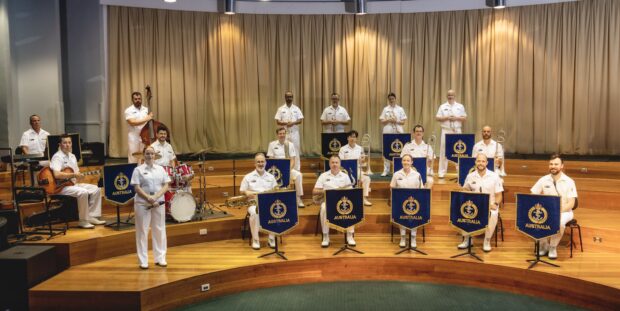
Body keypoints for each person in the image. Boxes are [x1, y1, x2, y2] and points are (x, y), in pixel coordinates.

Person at [50, 135, 105, 229]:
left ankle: (91, 216)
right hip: (61, 187)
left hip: (73, 184)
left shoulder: (72, 156)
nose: (67, 145)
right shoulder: (57, 157)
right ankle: (83, 221)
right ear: (60, 144)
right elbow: (56, 175)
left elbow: (76, 172)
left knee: (96, 189)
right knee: (82, 192)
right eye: (65, 143)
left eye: (69, 142)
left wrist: (79, 176)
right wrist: (74, 175)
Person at [530, 154, 578, 259]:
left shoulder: (569, 181)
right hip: (547, 210)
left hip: (565, 211)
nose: (553, 166)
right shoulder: (543, 179)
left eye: (556, 164)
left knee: (559, 222)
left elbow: (572, 203)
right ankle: (544, 245)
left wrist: (558, 211)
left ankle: (552, 247)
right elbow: (533, 194)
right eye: (551, 164)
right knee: (535, 219)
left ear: (562, 166)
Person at [131, 146, 171, 269]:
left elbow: (166, 185)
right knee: (142, 231)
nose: (149, 156)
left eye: (152, 154)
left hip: (158, 202)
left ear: (155, 155)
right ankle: (143, 260)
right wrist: (148, 198)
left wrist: (156, 197)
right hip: (142, 203)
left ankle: (160, 258)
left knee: (159, 229)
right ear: (144, 155)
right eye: (147, 154)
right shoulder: (138, 170)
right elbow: (137, 187)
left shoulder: (160, 169)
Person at [459, 154, 503, 252]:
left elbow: (499, 195)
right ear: (475, 162)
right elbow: (465, 190)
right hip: (474, 205)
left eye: (483, 161)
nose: (481, 163)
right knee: (462, 210)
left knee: (494, 214)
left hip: (490, 204)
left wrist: (495, 204)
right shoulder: (470, 176)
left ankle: (487, 240)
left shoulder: (494, 176)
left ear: (487, 163)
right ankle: (467, 239)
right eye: (479, 161)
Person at [313, 155, 354, 247]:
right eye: (332, 162)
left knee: (352, 207)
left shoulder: (345, 176)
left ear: (340, 164)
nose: (334, 164)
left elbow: (351, 192)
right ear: (329, 164)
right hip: (328, 201)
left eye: (336, 162)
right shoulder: (323, 176)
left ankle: (350, 235)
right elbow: (314, 191)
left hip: (342, 202)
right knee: (323, 208)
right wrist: (324, 191)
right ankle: (326, 236)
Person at [240, 153, 278, 250]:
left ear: (265, 163)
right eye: (258, 162)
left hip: (269, 203)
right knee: (254, 213)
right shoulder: (248, 177)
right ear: (254, 163)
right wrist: (246, 192)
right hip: (253, 203)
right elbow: (242, 190)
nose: (260, 164)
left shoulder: (271, 177)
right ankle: (255, 240)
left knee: (275, 211)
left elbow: (276, 191)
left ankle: (271, 238)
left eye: (262, 161)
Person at [390, 154, 424, 248]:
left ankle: (413, 238)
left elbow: (421, 189)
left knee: (415, 216)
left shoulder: (417, 175)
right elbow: (392, 188)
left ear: (411, 162)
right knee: (402, 215)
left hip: (414, 202)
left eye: (408, 160)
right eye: (404, 160)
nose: (406, 162)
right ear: (401, 162)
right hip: (400, 202)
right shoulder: (396, 174)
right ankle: (403, 238)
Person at [267, 127, 305, 207]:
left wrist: (288, 170)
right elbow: (270, 159)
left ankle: (298, 198)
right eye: (280, 133)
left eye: (284, 133)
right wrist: (277, 170)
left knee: (298, 175)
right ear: (277, 135)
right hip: (276, 170)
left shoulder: (290, 145)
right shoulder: (272, 144)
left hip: (288, 169)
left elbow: (293, 160)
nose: (282, 135)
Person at [435, 89, 467, 178]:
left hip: (457, 130)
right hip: (446, 130)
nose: (450, 97)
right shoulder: (442, 106)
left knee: (458, 152)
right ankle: (441, 172)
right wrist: (447, 118)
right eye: (448, 95)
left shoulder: (460, 106)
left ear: (454, 96)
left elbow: (464, 118)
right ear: (447, 96)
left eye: (452, 95)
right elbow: (437, 118)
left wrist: (456, 118)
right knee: (443, 151)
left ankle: (459, 172)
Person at [338, 130, 372, 206]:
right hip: (345, 171)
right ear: (347, 138)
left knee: (367, 178)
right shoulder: (343, 149)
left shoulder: (360, 148)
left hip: (357, 170)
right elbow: (340, 162)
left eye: (354, 137)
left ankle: (364, 198)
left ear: (356, 139)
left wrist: (362, 160)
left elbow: (362, 161)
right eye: (350, 137)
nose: (352, 139)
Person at [274, 91, 304, 171]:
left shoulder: (296, 108)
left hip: (294, 133)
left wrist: (293, 123)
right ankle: (286, 169)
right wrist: (285, 123)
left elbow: (300, 120)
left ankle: (297, 169)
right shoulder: (281, 109)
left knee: (296, 151)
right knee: (285, 150)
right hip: (285, 134)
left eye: (290, 97)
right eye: (287, 97)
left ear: (292, 97)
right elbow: (277, 121)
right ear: (285, 97)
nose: (289, 98)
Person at [379, 93, 407, 176]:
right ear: (388, 100)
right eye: (390, 99)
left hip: (398, 130)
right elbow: (382, 121)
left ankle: (398, 169)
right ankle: (386, 170)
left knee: (398, 150)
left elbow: (403, 122)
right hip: (388, 130)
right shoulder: (385, 109)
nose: (391, 100)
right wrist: (388, 120)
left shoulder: (400, 109)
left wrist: (396, 121)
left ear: (395, 99)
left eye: (393, 98)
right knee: (387, 150)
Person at [125, 92, 153, 163]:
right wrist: (147, 118)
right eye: (135, 99)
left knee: (143, 157)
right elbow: (133, 122)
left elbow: (150, 123)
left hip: (145, 137)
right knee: (133, 157)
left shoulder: (146, 110)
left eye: (139, 99)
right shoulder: (128, 110)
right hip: (134, 137)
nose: (138, 100)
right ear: (132, 100)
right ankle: (132, 172)